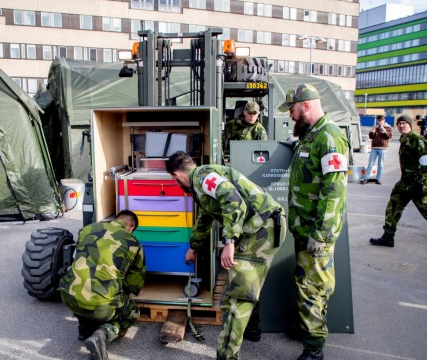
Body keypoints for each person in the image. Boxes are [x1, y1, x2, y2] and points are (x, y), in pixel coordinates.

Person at [165, 151, 286, 360]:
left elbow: (233, 200)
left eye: (174, 180)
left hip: (261, 229)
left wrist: (228, 242)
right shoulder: (200, 183)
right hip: (258, 228)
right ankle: (252, 329)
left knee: (235, 299)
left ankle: (227, 357)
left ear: (176, 175)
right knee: (246, 286)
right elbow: (205, 216)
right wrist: (193, 246)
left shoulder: (203, 177)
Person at [278, 83, 349, 360]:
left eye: (293, 110)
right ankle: (310, 329)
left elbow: (334, 191)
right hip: (304, 228)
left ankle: (314, 349)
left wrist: (321, 234)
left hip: (316, 232)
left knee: (312, 288)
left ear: (305, 105)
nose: (291, 115)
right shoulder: (312, 136)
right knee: (307, 284)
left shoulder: (330, 137)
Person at [59, 210, 146, 360]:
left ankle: (85, 329)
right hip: (102, 306)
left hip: (68, 296)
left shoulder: (87, 229)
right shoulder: (133, 243)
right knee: (131, 313)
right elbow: (134, 284)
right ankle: (102, 334)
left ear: (116, 219)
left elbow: (77, 257)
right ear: (131, 228)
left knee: (82, 289)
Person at [370, 115, 427, 247]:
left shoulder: (418, 141)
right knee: (393, 207)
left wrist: (420, 184)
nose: (401, 126)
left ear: (410, 125)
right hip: (405, 183)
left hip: (418, 184)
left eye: (404, 123)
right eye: (399, 123)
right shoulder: (404, 139)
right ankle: (388, 237)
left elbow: (425, 165)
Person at [360, 114, 393, 185]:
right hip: (374, 148)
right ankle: (366, 178)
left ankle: (378, 179)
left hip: (382, 148)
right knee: (370, 163)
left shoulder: (388, 127)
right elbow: (371, 137)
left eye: (381, 120)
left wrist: (383, 129)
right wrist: (372, 131)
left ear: (384, 120)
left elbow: (388, 136)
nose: (379, 122)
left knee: (380, 164)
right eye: (378, 120)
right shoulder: (376, 127)